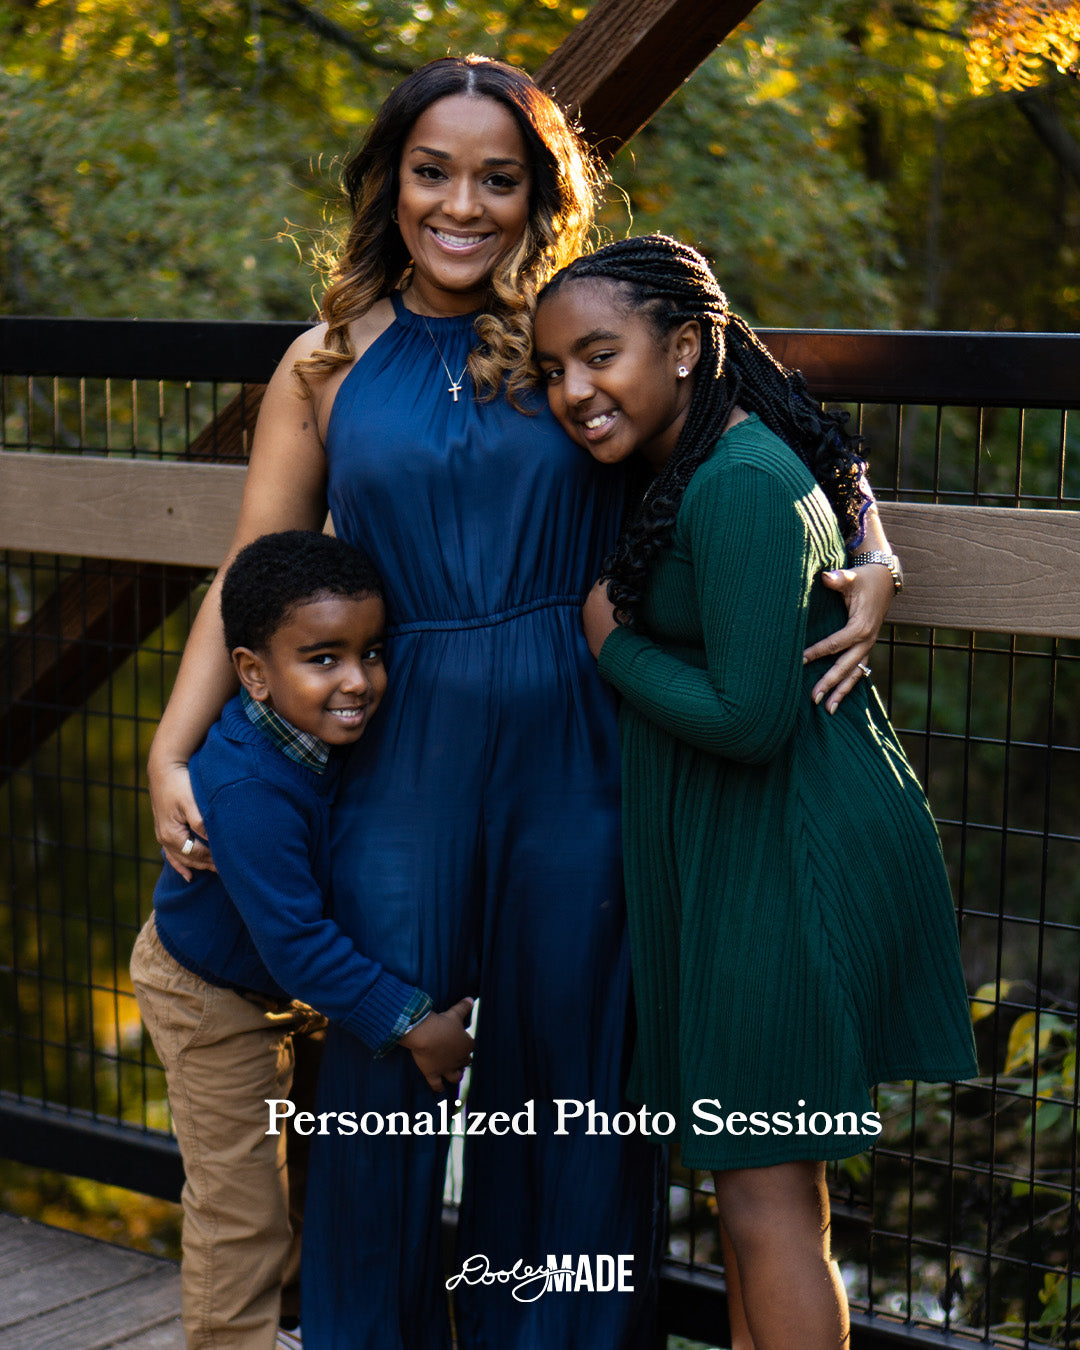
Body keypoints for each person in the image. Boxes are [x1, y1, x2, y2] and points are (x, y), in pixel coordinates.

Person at [146, 57, 898, 1349]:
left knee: (568, 1072)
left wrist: (873, 547)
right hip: (396, 745)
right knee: (384, 1065)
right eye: (434, 170)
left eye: (500, 177)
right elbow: (252, 570)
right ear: (390, 181)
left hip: (584, 739)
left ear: (540, 196)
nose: (463, 203)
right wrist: (170, 747)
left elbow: (763, 415)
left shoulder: (578, 333)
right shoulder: (325, 363)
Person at [531, 233, 978, 1350]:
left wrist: (610, 646)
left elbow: (748, 716)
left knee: (769, 1206)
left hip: (790, 866)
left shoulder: (737, 483)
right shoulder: (709, 456)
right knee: (750, 1198)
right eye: (553, 370)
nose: (574, 390)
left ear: (685, 347)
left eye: (599, 356)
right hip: (751, 857)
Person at [132, 530, 474, 1350]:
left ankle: (285, 1326)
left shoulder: (325, 734)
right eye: (323, 659)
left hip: (285, 992)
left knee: (302, 1181)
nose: (358, 680)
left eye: (371, 652)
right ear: (253, 672)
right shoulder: (248, 783)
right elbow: (294, 941)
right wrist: (409, 1019)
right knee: (238, 1205)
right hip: (208, 995)